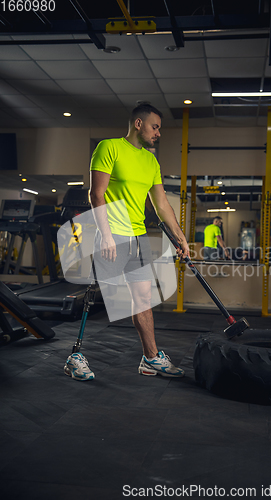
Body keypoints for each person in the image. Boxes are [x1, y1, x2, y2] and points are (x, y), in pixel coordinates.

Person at [64, 104, 189, 381]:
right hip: (112, 232)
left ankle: (150, 358)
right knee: (93, 296)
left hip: (138, 236)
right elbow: (96, 195)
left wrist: (180, 237)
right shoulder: (109, 148)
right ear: (138, 124)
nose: (158, 133)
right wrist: (106, 235)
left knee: (143, 297)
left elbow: (162, 205)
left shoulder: (151, 162)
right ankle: (76, 356)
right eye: (155, 127)